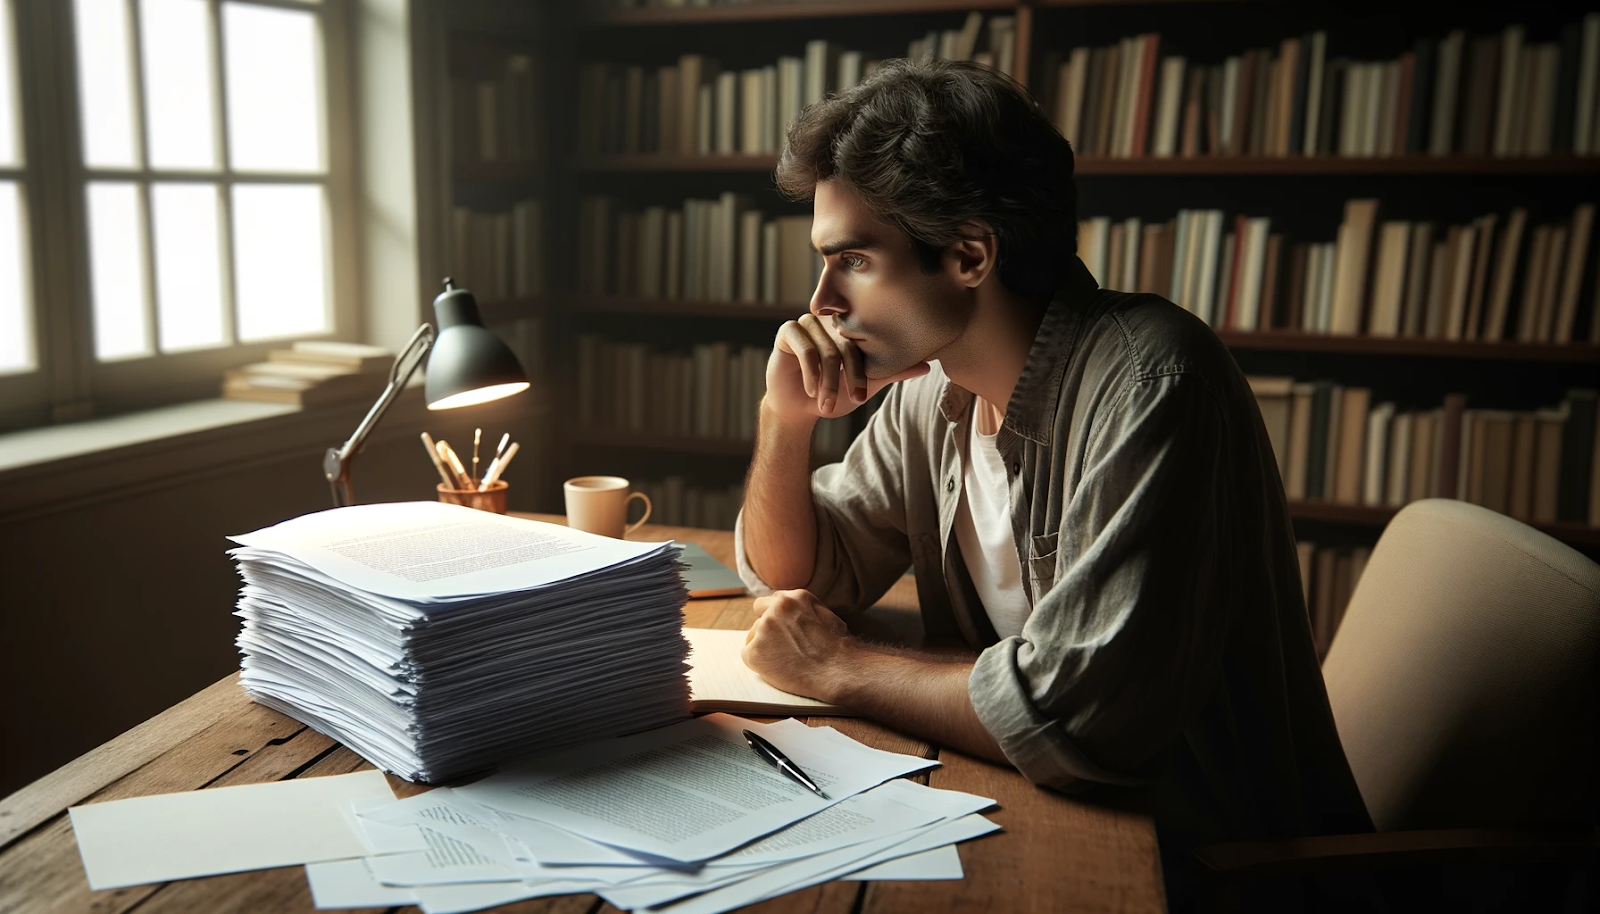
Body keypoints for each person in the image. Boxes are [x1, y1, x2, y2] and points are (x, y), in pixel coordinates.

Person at [734, 58, 1373, 903]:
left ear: (969, 254)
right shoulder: (935, 395)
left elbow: (1077, 717)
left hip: (1194, 863)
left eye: (851, 259)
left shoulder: (1154, 384)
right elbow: (800, 583)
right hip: (1038, 804)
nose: (819, 301)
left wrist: (840, 668)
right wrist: (785, 420)